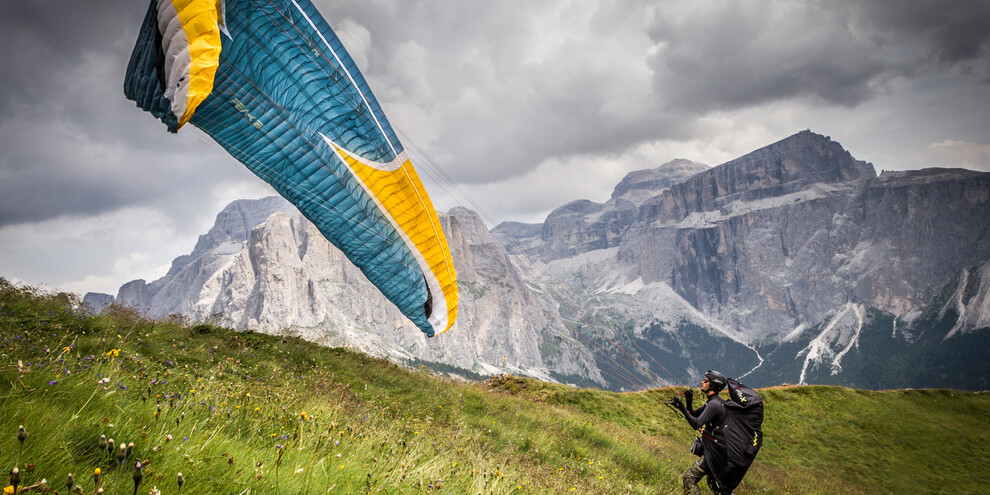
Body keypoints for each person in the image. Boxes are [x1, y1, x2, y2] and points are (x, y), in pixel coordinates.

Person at [671, 370, 730, 495]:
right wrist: (689, 401)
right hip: (719, 451)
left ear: (713, 385)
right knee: (715, 487)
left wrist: (681, 407)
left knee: (689, 478)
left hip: (715, 453)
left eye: (706, 381)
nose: (702, 382)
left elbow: (696, 424)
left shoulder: (714, 404)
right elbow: (693, 415)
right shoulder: (713, 401)